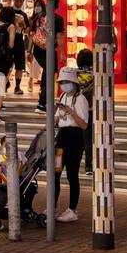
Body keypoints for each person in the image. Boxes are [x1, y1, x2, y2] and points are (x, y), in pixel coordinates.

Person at [50, 66, 89, 222]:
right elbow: (58, 118)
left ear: (73, 82)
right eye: (61, 82)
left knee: (72, 175)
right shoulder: (63, 96)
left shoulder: (81, 99)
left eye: (66, 82)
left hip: (75, 138)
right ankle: (52, 207)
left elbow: (84, 125)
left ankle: (72, 209)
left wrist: (71, 111)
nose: (63, 85)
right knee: (56, 172)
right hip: (62, 137)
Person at [30, 0, 64, 113]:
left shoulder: (39, 18)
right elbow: (59, 37)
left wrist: (29, 51)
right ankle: (42, 103)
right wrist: (62, 53)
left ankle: (43, 100)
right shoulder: (58, 19)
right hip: (49, 50)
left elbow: (32, 35)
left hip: (37, 49)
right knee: (48, 76)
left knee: (46, 75)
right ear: (57, 6)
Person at [0, 135, 27, 208]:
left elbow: (26, 163)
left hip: (13, 178)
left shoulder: (19, 154)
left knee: (12, 186)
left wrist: (22, 168)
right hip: (1, 177)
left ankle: (10, 201)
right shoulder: (0, 158)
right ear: (2, 147)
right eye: (5, 145)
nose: (7, 147)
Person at [76, 48, 94, 176]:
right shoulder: (95, 75)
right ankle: (88, 166)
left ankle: (74, 164)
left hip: (76, 110)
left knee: (76, 139)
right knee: (88, 139)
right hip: (90, 110)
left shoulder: (74, 75)